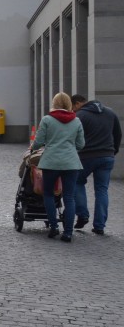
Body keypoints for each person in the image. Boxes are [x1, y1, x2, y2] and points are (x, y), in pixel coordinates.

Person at [31, 92, 86, 241]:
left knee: (48, 194)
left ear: (54, 103)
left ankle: (54, 227)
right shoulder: (76, 121)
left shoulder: (47, 120)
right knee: (69, 196)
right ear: (69, 104)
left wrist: (33, 148)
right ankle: (68, 232)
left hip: (51, 162)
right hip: (71, 163)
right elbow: (81, 144)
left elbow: (38, 141)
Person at [71, 93, 121, 236]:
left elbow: (74, 138)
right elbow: (118, 134)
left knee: (77, 182)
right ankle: (99, 226)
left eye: (73, 107)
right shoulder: (110, 112)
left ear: (77, 104)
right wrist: (113, 151)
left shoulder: (80, 116)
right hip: (107, 156)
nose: (73, 111)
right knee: (102, 190)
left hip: (86, 157)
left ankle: (82, 214)